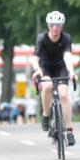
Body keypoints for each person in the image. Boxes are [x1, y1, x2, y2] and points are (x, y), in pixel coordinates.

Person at [30, 10, 76, 146]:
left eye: (58, 25)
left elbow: (68, 56)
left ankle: (69, 130)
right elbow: (34, 58)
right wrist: (37, 70)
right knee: (47, 86)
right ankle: (46, 113)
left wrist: (71, 72)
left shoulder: (66, 38)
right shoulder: (42, 38)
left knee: (64, 95)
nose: (55, 28)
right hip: (45, 67)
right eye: (52, 25)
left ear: (62, 26)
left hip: (60, 68)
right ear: (48, 26)